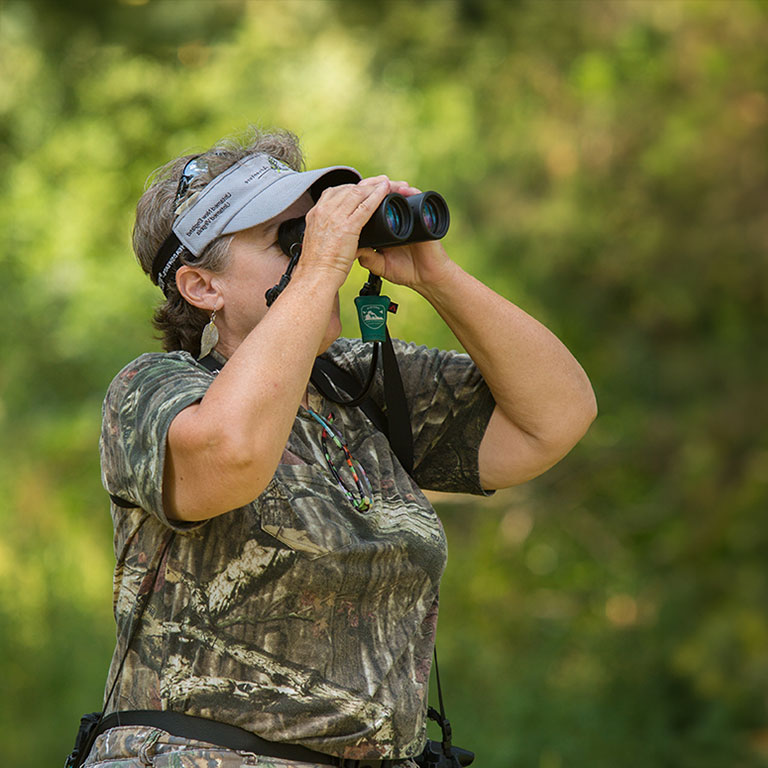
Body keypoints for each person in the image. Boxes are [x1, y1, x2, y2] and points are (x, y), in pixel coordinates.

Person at [83, 127, 597, 768]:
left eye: (317, 231)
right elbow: (231, 455)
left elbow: (556, 419)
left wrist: (434, 274)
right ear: (201, 287)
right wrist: (321, 266)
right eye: (287, 241)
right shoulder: (153, 390)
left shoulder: (361, 383)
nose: (327, 253)